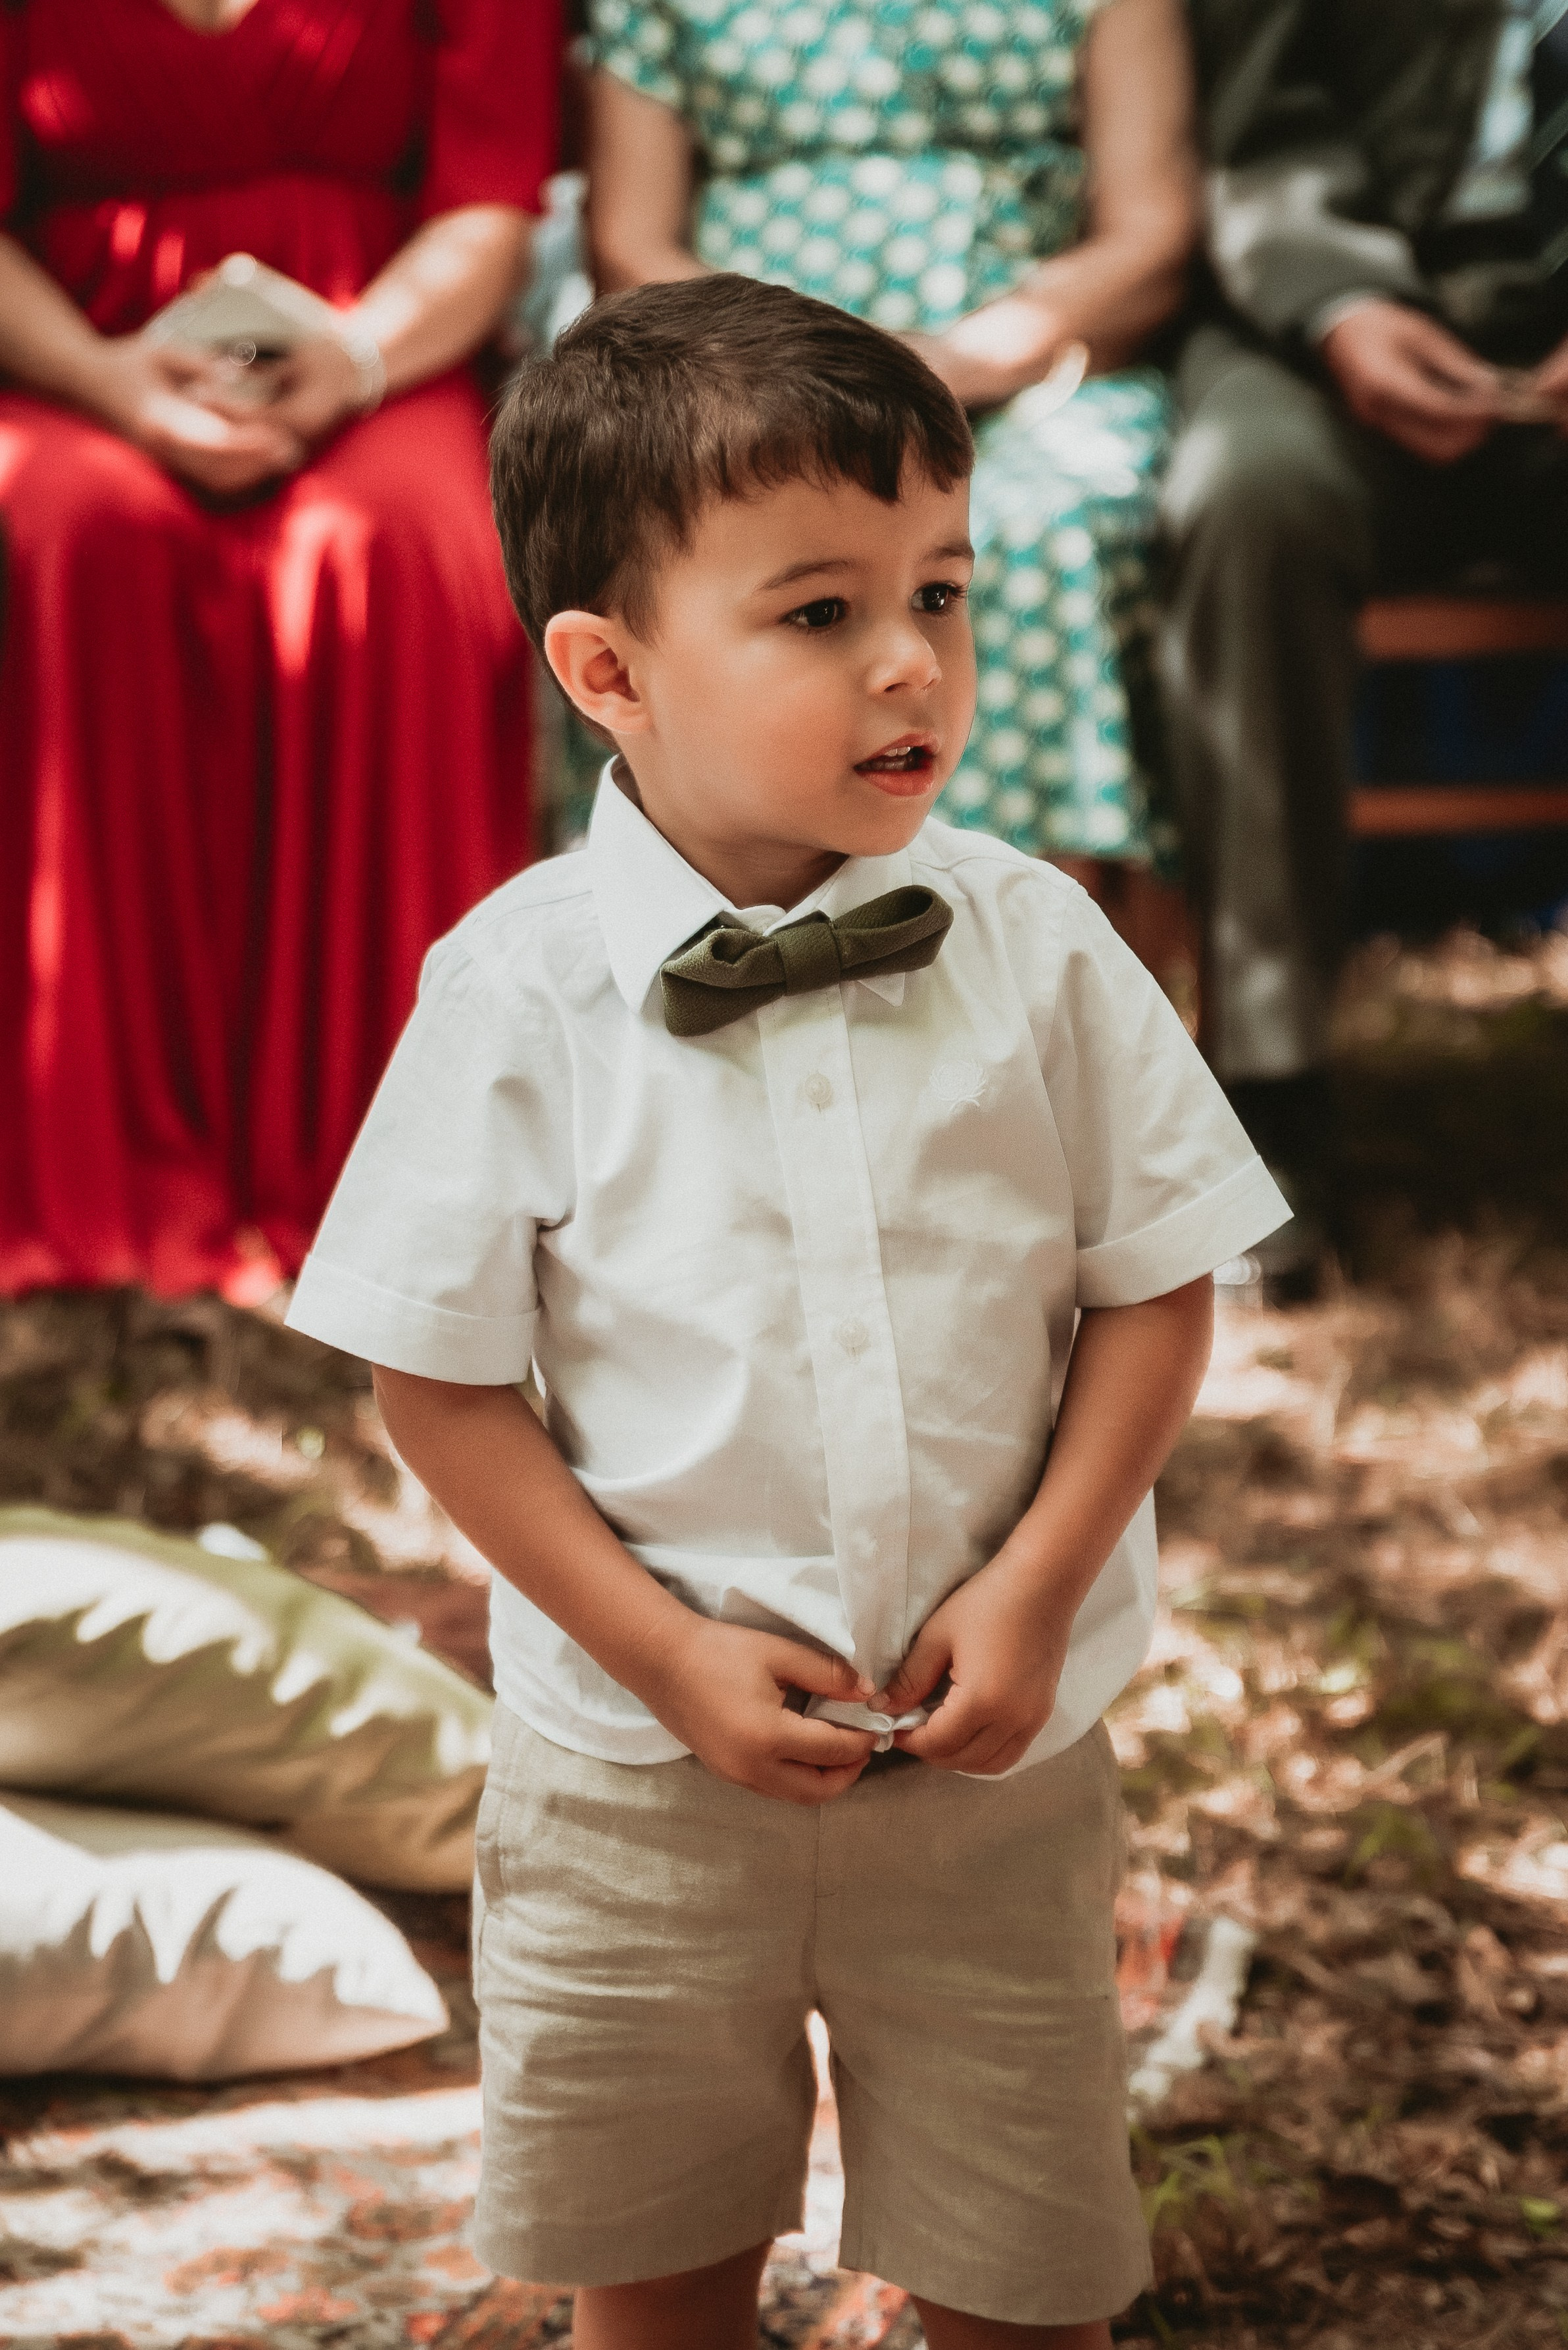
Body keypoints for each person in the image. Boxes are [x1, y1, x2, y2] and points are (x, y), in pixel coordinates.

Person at [285, 276, 1288, 2348]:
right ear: (609, 670)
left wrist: (1034, 1587)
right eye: (819, 612)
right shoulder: (516, 989)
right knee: (653, 2285)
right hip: (639, 1779)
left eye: (943, 585)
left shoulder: (1042, 943)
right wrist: (657, 1651)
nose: (913, 656)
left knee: (1027, 2284)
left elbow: (1158, 1286)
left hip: (998, 1770)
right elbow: (439, 1373)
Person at [0, 0, 558, 1300]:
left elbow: (489, 206)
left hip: (383, 350)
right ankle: (93, 1159)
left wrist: (357, 359)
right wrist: (108, 380)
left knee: (391, 558)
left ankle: (385, 1163)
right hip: (75, 346)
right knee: (70, 538)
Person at [583, 0, 1199, 888]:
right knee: (723, 547)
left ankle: (1024, 938)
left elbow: (1152, 230)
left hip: (1029, 379)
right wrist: (787, 372)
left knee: (1028, 532)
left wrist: (980, 355)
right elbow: (630, 242)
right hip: (741, 386)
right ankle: (756, 917)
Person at [1161, 0, 1568, 1292]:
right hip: (1323, 325)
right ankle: (1270, 1090)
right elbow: (1256, 118)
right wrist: (1337, 302)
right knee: (1246, 496)